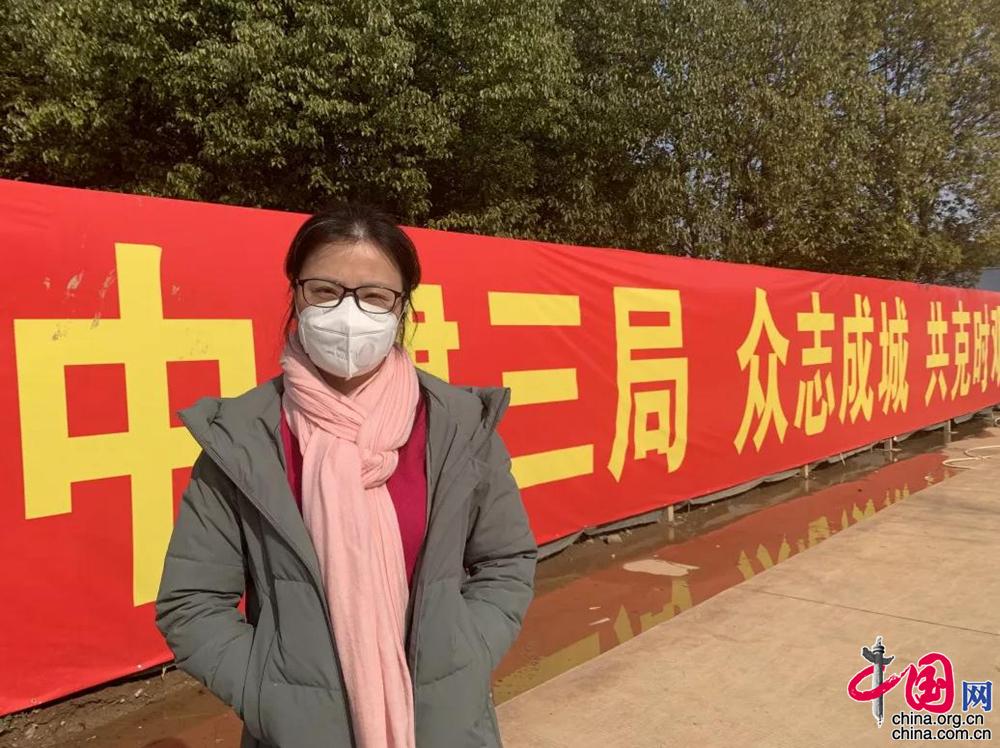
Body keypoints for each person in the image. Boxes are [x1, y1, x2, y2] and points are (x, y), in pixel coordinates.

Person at [155, 204, 537, 748]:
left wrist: (464, 656)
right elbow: (191, 601)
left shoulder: (457, 426)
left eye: (375, 296)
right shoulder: (243, 438)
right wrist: (272, 696)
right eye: (325, 291)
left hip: (447, 727)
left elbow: (506, 560)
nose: (349, 314)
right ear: (296, 296)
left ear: (403, 308)